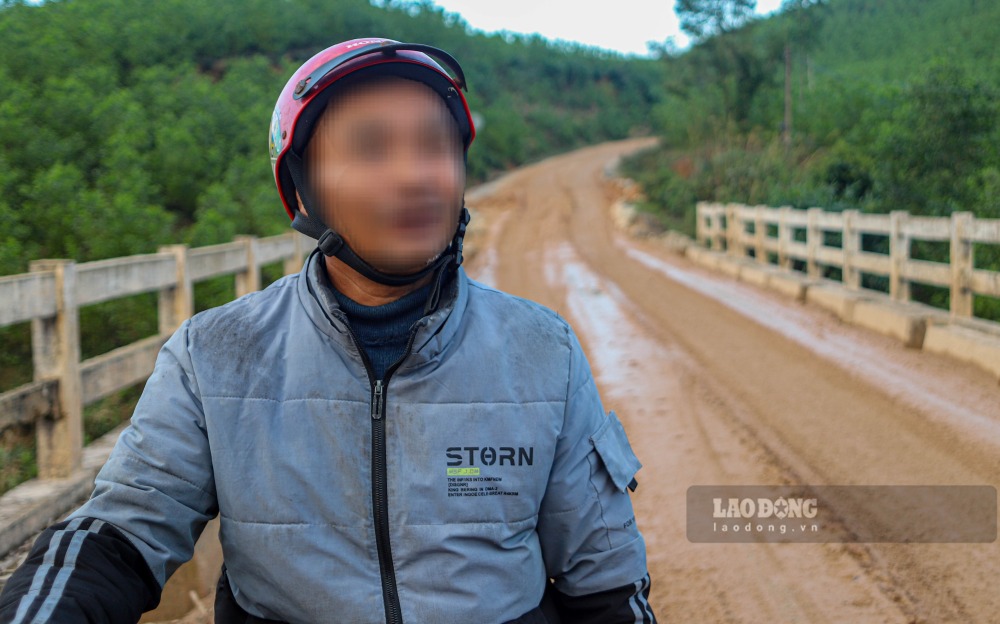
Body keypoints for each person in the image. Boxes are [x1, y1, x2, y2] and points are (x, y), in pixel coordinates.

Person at [0, 38, 656, 624]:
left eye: (435, 147)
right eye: (370, 149)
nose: (414, 175)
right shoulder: (215, 356)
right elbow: (121, 535)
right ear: (303, 188)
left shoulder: (543, 350)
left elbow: (604, 579)